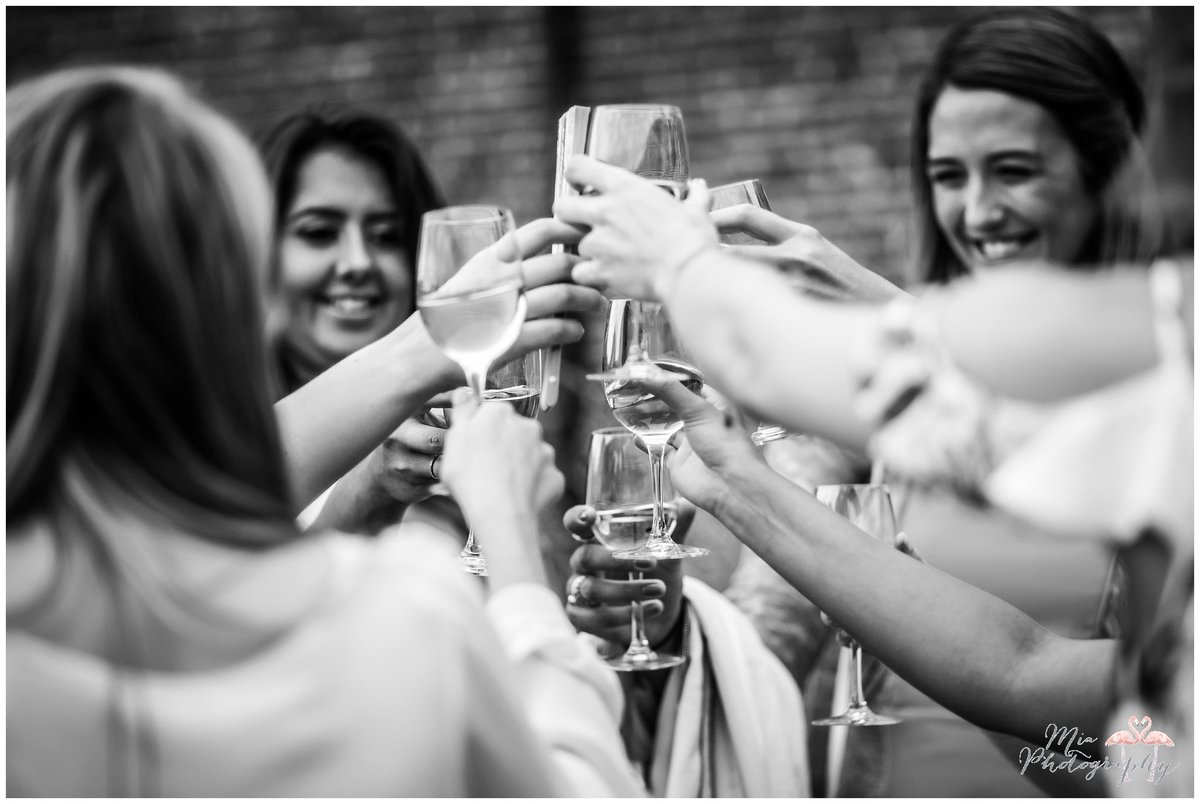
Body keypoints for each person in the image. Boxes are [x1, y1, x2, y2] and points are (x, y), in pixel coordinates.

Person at [557, 7, 1165, 795]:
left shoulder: (1154, 406)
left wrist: (689, 268)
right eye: (950, 176)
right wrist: (670, 617)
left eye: (1015, 170)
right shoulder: (880, 414)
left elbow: (1121, 755)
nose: (978, 214)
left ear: (1107, 170)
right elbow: (764, 644)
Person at [5, 65, 642, 797]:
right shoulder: (404, 609)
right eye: (312, 233)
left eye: (384, 234)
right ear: (241, 292)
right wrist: (512, 550)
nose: (355, 265)